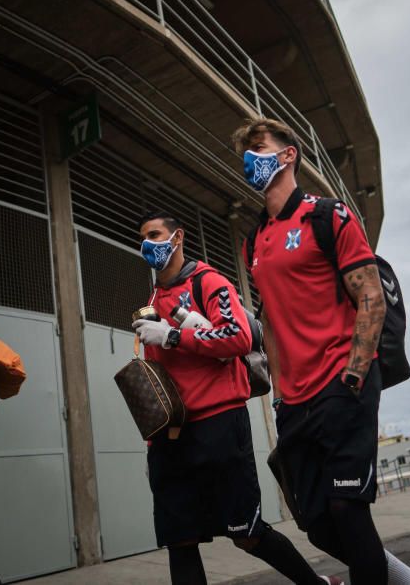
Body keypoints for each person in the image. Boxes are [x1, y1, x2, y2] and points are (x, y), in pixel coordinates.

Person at [233, 118, 410, 585]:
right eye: (244, 152)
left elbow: (369, 293)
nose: (249, 158)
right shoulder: (256, 241)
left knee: (348, 509)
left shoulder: (328, 216)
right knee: (319, 524)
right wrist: (279, 387)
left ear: (288, 154)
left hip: (342, 380)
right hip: (295, 398)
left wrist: (355, 371)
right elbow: (270, 316)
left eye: (259, 147)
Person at [132, 211, 341, 585]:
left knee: (247, 534)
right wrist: (153, 440)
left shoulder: (208, 282)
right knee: (180, 541)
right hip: (171, 437)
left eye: (155, 235)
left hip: (219, 426)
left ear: (177, 237)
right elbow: (158, 379)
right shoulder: (152, 299)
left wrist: (173, 336)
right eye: (142, 238)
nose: (147, 244)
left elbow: (238, 337)